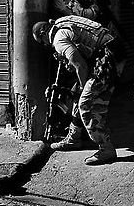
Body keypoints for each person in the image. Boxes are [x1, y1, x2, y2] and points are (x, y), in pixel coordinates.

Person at [32, 15, 119, 165]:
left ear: (43, 33)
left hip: (107, 59)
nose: (45, 45)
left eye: (42, 42)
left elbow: (81, 66)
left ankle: (106, 149)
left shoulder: (58, 39)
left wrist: (83, 86)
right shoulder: (60, 22)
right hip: (111, 52)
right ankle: (74, 138)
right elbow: (82, 49)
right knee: (78, 94)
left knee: (86, 104)